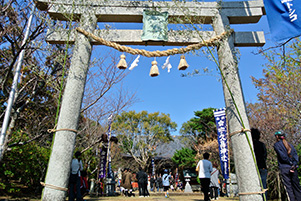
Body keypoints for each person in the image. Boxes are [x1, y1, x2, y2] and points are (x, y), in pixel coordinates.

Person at [274, 131, 301, 201]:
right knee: (297, 187)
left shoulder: (277, 145)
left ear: (277, 137)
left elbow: (282, 157)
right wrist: (293, 165)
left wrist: (289, 163)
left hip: (285, 168)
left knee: (289, 188)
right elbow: (295, 156)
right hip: (293, 168)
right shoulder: (290, 145)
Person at [251, 128, 268, 199]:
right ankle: (264, 198)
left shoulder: (251, 145)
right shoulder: (261, 144)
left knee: (254, 185)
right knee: (263, 184)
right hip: (262, 166)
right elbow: (265, 155)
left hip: (253, 167)